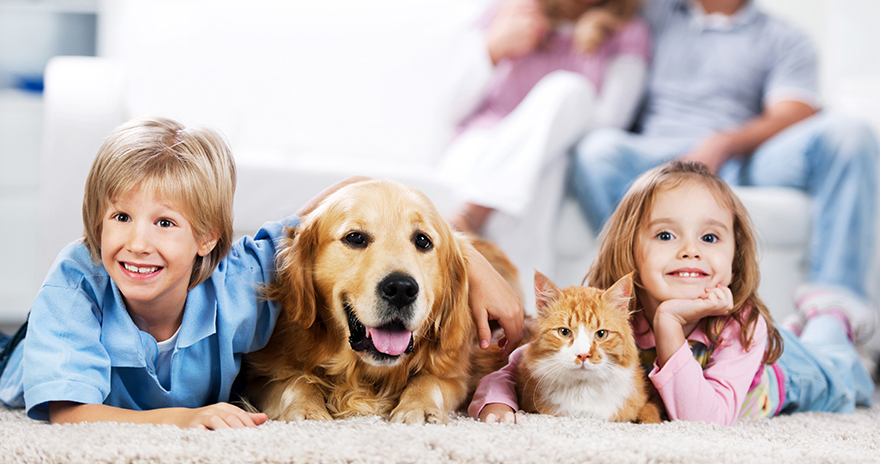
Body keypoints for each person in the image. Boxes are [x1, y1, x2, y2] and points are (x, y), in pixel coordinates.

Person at [0, 117, 524, 428]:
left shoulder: (241, 279)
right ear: (95, 221)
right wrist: (183, 420)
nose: (140, 242)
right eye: (120, 217)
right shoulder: (76, 284)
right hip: (28, 359)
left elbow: (358, 189)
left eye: (165, 222)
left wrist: (462, 258)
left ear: (208, 238)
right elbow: (69, 415)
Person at [569, 0, 879, 334]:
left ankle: (834, 316)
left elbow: (793, 108)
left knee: (850, 134)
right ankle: (639, 299)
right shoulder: (644, 10)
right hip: (656, 154)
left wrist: (723, 142)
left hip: (743, 159)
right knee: (598, 150)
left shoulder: (784, 37)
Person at [470, 161, 874, 425]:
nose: (690, 249)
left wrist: (668, 325)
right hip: (771, 352)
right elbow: (522, 362)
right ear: (631, 250)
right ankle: (807, 323)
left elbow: (703, 422)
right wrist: (496, 400)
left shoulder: (741, 326)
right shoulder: (604, 313)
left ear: (734, 258)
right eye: (666, 234)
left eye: (710, 236)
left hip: (793, 374)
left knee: (845, 370)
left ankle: (830, 316)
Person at [439, 0, 650, 295]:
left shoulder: (628, 32)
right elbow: (448, 109)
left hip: (551, 157)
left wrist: (552, 119)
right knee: (537, 177)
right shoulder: (514, 6)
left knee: (567, 96)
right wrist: (493, 48)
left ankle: (473, 212)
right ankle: (528, 320)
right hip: (482, 145)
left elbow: (609, 123)